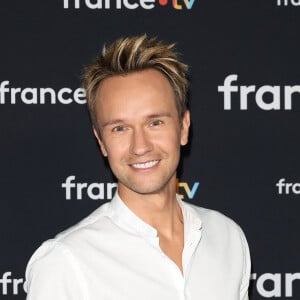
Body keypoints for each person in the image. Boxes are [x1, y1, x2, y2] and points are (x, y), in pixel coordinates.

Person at [25, 35, 251, 300]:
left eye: (155, 123)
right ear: (101, 142)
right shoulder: (65, 262)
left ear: (183, 127)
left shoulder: (228, 238)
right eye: (120, 128)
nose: (140, 146)